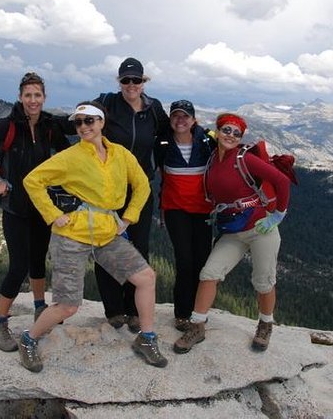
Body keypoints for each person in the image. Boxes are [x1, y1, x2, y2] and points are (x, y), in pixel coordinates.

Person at [18, 101, 168, 372]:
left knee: (146, 278)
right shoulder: (71, 156)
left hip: (106, 232)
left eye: (89, 120)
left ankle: (147, 338)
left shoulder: (120, 154)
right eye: (78, 122)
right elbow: (32, 180)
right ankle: (28, 339)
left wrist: (128, 218)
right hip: (71, 235)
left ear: (101, 122)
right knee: (67, 306)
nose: (83, 127)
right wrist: (53, 215)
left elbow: (143, 185)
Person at [0, 72, 70, 352]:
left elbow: (70, 147)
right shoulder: (6, 126)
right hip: (16, 209)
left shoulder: (49, 126)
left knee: (37, 261)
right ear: (20, 97)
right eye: (28, 95)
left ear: (44, 98)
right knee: (18, 266)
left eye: (37, 95)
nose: (33, 100)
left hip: (42, 207)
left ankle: (39, 308)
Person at [173, 113, 291, 353]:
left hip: (261, 229)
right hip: (233, 231)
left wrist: (278, 214)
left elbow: (282, 181)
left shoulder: (245, 158)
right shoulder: (212, 159)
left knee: (263, 280)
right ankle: (197, 326)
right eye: (226, 130)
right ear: (217, 132)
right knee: (209, 274)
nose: (231, 136)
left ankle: (266, 325)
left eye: (237, 133)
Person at [93, 57, 169, 333]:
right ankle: (114, 310)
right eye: (126, 80)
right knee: (106, 245)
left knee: (138, 247)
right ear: (119, 82)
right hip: (109, 190)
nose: (131, 85)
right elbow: (85, 120)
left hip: (141, 187)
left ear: (143, 81)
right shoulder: (108, 104)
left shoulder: (154, 108)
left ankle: (134, 310)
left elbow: (166, 135)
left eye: (136, 80)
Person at [153, 100, 216, 332]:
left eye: (185, 116)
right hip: (175, 208)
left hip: (203, 209)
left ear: (193, 119)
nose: (180, 120)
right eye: (176, 116)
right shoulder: (161, 142)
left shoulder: (208, 140)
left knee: (202, 261)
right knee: (184, 261)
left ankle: (198, 312)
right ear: (171, 120)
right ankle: (182, 313)